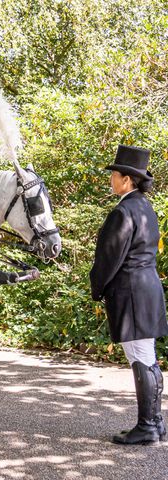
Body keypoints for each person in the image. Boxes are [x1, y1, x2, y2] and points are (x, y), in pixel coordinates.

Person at [90, 144, 168, 445]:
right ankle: (155, 423)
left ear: (127, 180)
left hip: (132, 292)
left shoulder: (123, 211)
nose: (111, 180)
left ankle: (147, 426)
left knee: (140, 357)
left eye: (115, 176)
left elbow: (109, 259)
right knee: (147, 356)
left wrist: (97, 288)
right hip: (147, 288)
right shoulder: (146, 207)